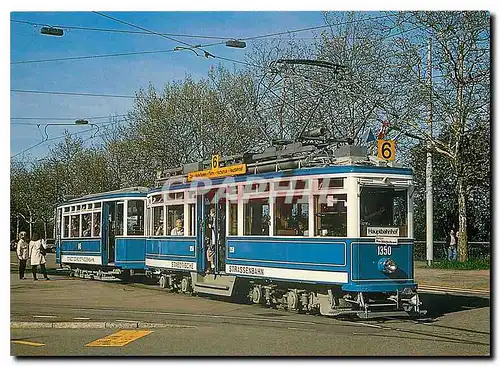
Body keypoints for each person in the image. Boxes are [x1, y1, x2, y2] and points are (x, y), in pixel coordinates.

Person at [205, 208, 216, 274]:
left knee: (210, 251)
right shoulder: (211, 220)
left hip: (214, 238)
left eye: (211, 213)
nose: (210, 215)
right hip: (212, 238)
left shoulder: (216, 220)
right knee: (210, 251)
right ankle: (211, 264)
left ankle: (211, 265)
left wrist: (211, 227)